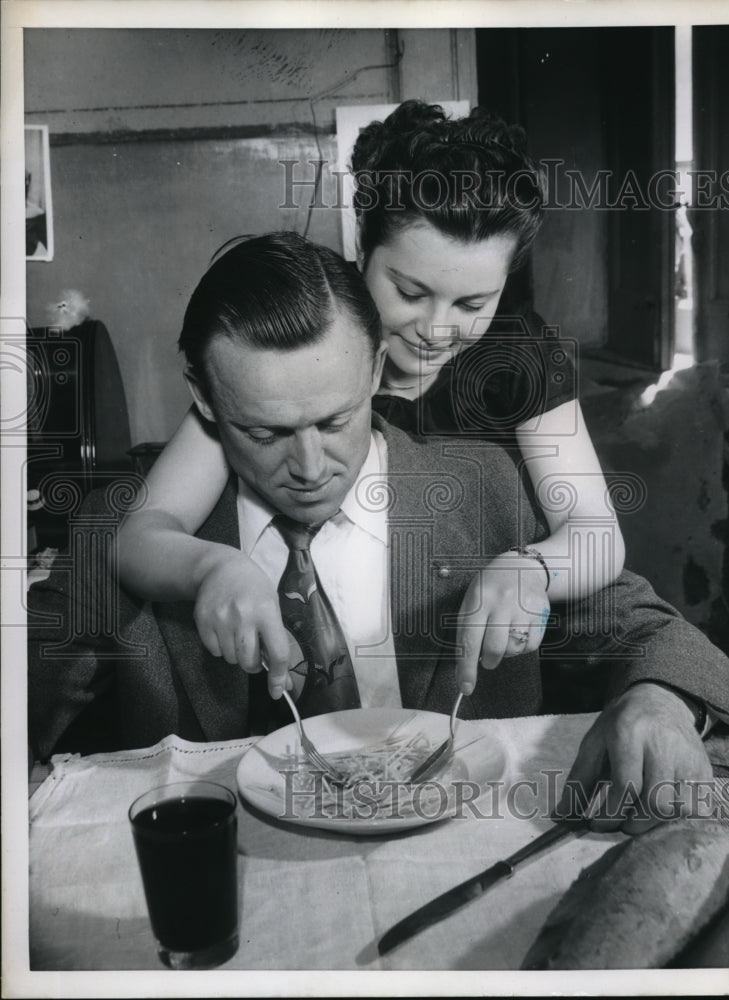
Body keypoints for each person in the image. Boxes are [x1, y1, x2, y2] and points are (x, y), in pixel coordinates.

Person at [28, 233, 729, 836]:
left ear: (377, 368)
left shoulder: (483, 491)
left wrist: (660, 701)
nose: (310, 468)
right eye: (264, 431)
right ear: (203, 399)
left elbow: (654, 633)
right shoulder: (116, 526)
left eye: (335, 420)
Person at [116, 101, 626, 701]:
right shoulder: (314, 342)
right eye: (410, 292)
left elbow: (596, 531)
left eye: (472, 305)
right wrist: (210, 568)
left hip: (490, 665)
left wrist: (531, 567)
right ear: (363, 244)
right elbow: (142, 534)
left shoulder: (521, 357)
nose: (436, 330)